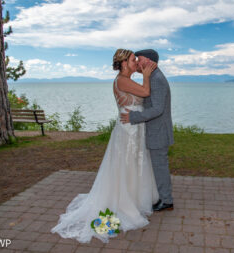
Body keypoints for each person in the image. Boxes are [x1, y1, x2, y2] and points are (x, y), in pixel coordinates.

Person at [51, 49, 158, 243]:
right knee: (125, 166)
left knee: (133, 165)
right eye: (133, 60)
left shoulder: (126, 79)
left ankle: (133, 198)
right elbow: (145, 92)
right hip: (128, 131)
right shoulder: (122, 80)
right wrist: (148, 75)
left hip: (135, 127)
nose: (136, 63)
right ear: (124, 63)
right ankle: (124, 203)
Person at [120, 49, 174, 212]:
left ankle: (167, 201)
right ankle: (163, 197)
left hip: (158, 131)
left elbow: (157, 109)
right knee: (158, 166)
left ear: (150, 62)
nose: (137, 62)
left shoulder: (156, 79)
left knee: (160, 167)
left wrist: (134, 117)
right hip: (156, 130)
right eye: (135, 59)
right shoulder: (152, 77)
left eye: (139, 59)